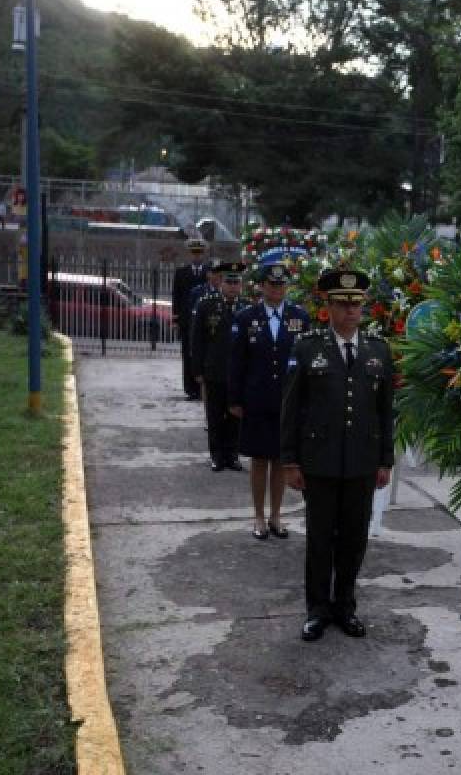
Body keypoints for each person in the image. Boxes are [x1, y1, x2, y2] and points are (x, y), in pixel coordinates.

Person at [279, 269, 395, 642]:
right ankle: (317, 609)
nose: (351, 312)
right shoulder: (307, 348)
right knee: (319, 539)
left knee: (354, 539)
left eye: (356, 304)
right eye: (343, 304)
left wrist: (385, 460)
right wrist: (290, 461)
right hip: (320, 461)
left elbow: (385, 410)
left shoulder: (378, 350)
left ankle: (345, 606)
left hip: (361, 462)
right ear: (327, 306)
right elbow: (291, 409)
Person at [228, 264, 311, 540]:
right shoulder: (245, 317)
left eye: (281, 285)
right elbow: (236, 363)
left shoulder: (300, 317)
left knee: (281, 460)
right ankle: (259, 516)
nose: (277, 289)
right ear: (261, 286)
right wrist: (235, 399)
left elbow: (305, 363)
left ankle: (276, 515)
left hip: (288, 401)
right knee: (259, 460)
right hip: (257, 399)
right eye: (271, 285)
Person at [191, 262, 251, 472]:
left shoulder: (247, 308)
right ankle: (217, 456)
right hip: (214, 369)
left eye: (237, 282)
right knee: (215, 416)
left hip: (238, 373)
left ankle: (232, 455)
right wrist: (197, 370)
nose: (233, 286)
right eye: (229, 282)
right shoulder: (206, 305)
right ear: (221, 282)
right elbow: (197, 339)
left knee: (235, 416)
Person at [173, 239, 210, 400]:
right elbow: (176, 297)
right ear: (190, 254)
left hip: (205, 320)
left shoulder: (209, 272)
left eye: (199, 253)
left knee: (203, 355)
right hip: (187, 322)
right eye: (194, 253)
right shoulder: (181, 272)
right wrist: (176, 319)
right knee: (187, 355)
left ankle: (203, 389)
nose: (197, 256)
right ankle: (190, 389)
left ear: (203, 254)